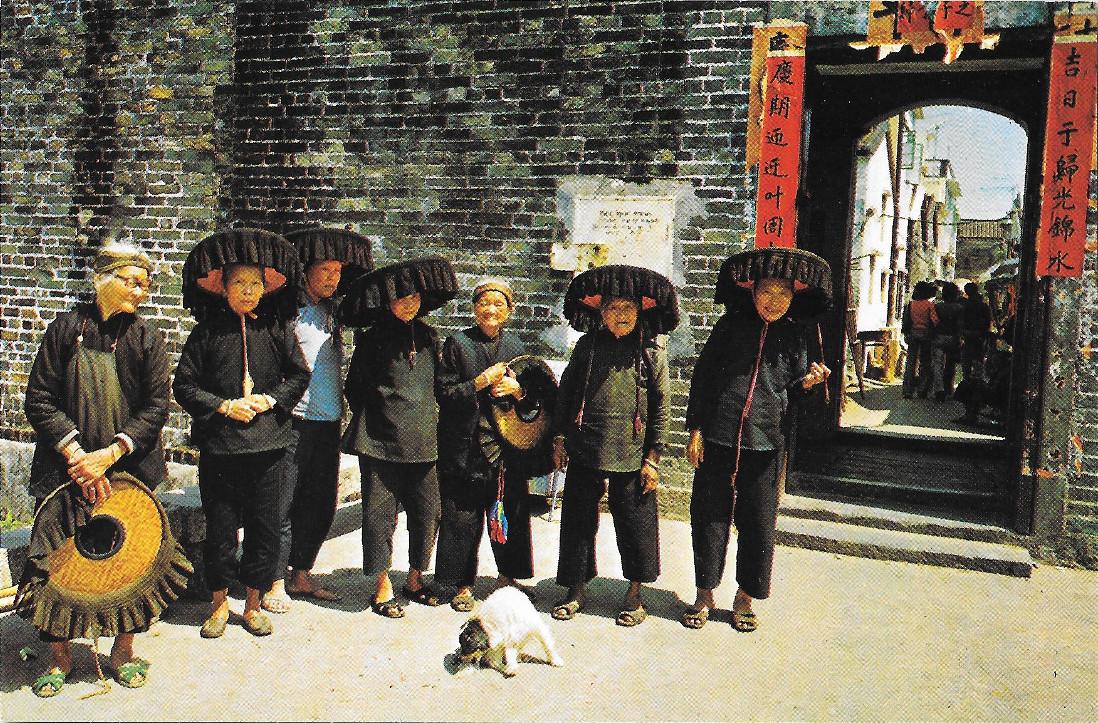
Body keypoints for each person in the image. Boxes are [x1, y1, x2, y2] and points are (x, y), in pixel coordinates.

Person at [20, 243, 169, 696]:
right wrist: (77, 456)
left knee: (131, 565)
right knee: (58, 566)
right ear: (104, 277)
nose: (141, 292)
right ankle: (60, 656)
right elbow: (39, 398)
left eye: (146, 285)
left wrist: (108, 455)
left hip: (128, 468)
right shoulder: (66, 329)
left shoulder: (146, 338)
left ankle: (122, 652)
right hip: (66, 469)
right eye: (133, 281)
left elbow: (156, 405)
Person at [682, 246, 831, 633]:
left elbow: (795, 394)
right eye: (767, 292)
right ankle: (704, 593)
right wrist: (695, 429)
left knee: (759, 523)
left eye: (783, 294)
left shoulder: (797, 335)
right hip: (718, 436)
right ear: (753, 291)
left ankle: (745, 596)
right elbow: (703, 379)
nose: (774, 301)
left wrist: (810, 384)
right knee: (709, 517)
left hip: (766, 441)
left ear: (793, 297)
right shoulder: (729, 327)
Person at [174, 229, 310, 639]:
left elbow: (300, 374)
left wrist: (270, 400)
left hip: (269, 446)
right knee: (220, 528)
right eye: (240, 283)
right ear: (225, 287)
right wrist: (222, 405)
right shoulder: (207, 333)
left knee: (265, 528)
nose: (249, 291)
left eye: (256, 284)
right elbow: (184, 385)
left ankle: (251, 604)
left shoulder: (277, 328)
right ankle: (218, 604)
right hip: (221, 446)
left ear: (266, 288)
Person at [550, 265, 677, 628]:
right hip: (586, 445)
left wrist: (653, 459)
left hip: (632, 452)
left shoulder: (652, 351)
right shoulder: (587, 347)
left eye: (627, 309)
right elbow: (567, 395)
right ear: (600, 312)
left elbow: (662, 406)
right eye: (612, 309)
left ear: (639, 312)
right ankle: (575, 588)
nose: (620, 316)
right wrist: (560, 438)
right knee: (576, 522)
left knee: (636, 523)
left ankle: (635, 592)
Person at [261, 228, 373, 613]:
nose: (333, 278)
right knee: (284, 502)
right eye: (325, 269)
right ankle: (275, 580)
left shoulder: (333, 313)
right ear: (304, 270)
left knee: (320, 502)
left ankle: (301, 573)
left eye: (338, 271)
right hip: (293, 419)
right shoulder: (286, 312)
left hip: (329, 419)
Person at [340, 257, 458, 619]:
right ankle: (382, 585)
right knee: (379, 516)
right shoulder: (373, 339)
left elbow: (439, 387)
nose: (410, 304)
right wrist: (382, 418)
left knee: (427, 513)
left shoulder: (429, 337)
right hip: (380, 441)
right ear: (389, 300)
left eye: (415, 298)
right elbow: (354, 388)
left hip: (423, 441)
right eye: (402, 297)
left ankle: (415, 579)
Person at [433, 279, 536, 612]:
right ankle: (461, 583)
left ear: (508, 311)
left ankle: (508, 578)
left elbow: (535, 400)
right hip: (465, 446)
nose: (491, 310)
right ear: (474, 308)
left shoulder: (518, 345)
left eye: (499, 305)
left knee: (510, 512)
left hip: (506, 448)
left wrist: (517, 391)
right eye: (484, 304)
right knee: (462, 516)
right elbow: (444, 394)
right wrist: (480, 381)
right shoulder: (458, 344)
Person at [901, 280, 939, 399]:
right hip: (926, 336)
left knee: (911, 363)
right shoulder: (929, 305)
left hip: (913, 335)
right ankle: (922, 390)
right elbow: (935, 321)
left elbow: (906, 321)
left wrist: (907, 333)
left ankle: (908, 391)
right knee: (925, 363)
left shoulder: (911, 304)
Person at [932, 282, 963, 402]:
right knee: (950, 364)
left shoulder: (937, 307)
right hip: (952, 338)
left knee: (937, 365)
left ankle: (939, 390)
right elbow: (959, 326)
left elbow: (933, 323)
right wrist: (959, 338)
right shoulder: (959, 308)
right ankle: (949, 388)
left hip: (938, 337)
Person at [960, 281, 992, 385]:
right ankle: (978, 383)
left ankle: (967, 381)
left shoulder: (964, 305)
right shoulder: (983, 305)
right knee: (978, 359)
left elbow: (961, 321)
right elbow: (988, 321)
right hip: (980, 336)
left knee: (967, 360)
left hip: (968, 335)